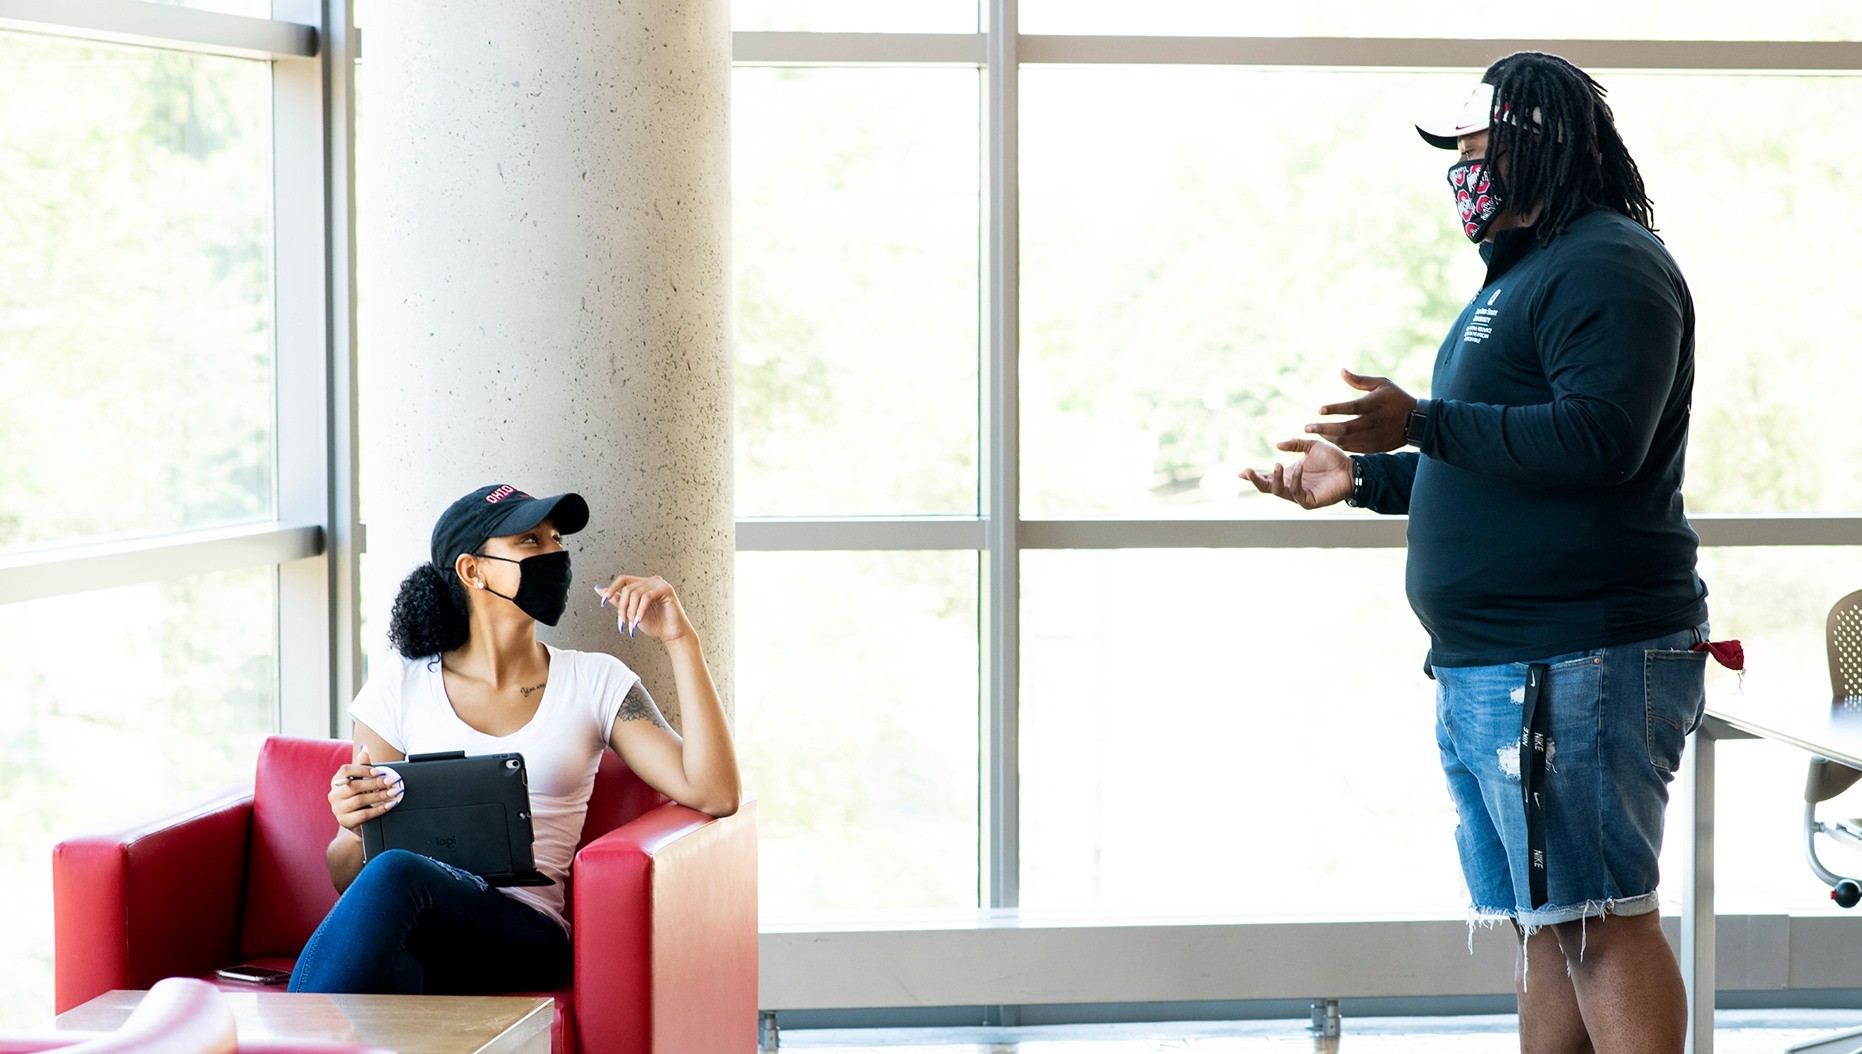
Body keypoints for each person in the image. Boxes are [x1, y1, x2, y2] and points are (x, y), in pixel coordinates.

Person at [1242, 53, 1709, 1054]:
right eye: (1454, 154)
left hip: (1577, 654)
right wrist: (1363, 479)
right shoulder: (1520, 277)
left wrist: (1419, 419)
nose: (1460, 171)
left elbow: (1595, 442)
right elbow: (1495, 463)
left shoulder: (1604, 264)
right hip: (1499, 663)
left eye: (1477, 151)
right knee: (1549, 927)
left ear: (1545, 149)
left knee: (1596, 920)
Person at [289, 483, 741, 995]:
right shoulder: (401, 684)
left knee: (397, 874)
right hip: (423, 931)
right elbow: (348, 878)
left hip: (525, 934)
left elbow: (715, 792)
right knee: (399, 966)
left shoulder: (595, 680)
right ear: (471, 570)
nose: (555, 553)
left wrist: (681, 641)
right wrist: (352, 828)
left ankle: (290, 1035)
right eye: (530, 540)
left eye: (556, 539)